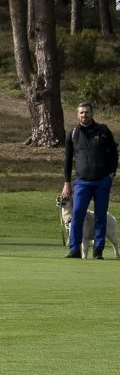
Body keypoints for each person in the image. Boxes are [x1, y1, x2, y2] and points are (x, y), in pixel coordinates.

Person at [62, 101, 116, 259]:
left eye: (87, 112)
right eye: (81, 113)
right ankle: (75, 249)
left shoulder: (103, 131)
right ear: (77, 115)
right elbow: (68, 159)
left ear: (92, 113)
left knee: (100, 215)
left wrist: (111, 174)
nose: (84, 115)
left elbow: (113, 153)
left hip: (101, 181)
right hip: (82, 182)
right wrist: (66, 182)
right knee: (77, 214)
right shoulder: (72, 134)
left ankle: (98, 251)